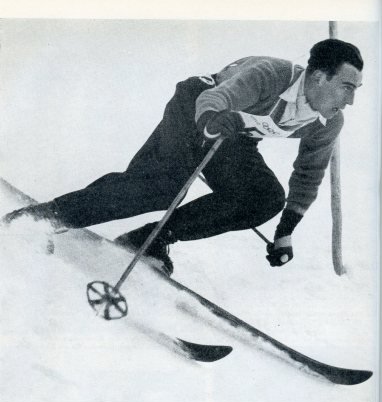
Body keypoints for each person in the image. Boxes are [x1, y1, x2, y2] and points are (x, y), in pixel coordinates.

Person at [3, 39, 363, 275]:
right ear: (318, 77)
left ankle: (150, 239)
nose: (349, 100)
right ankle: (40, 219)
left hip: (234, 135)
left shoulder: (327, 122)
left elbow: (308, 175)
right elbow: (215, 100)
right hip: (195, 108)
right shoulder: (271, 75)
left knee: (263, 198)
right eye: (346, 87)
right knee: (161, 186)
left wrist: (285, 232)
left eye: (355, 90)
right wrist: (210, 123)